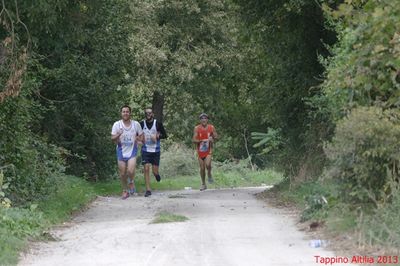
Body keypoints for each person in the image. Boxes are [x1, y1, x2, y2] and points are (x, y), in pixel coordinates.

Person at [111, 105, 143, 199]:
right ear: (121, 113)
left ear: (130, 113)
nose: (125, 113)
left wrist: (137, 139)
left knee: (130, 170)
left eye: (127, 111)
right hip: (121, 150)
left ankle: (131, 182)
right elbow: (112, 138)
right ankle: (125, 191)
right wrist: (118, 134)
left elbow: (141, 137)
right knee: (122, 173)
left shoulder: (136, 124)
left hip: (132, 150)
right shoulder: (117, 124)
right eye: (124, 112)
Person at [139, 107, 167, 197]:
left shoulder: (158, 124)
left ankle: (157, 175)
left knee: (154, 171)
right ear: (145, 114)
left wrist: (158, 136)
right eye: (147, 113)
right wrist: (139, 140)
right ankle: (148, 190)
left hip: (155, 150)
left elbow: (165, 135)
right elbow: (137, 135)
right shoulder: (141, 124)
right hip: (145, 150)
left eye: (150, 113)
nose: (148, 114)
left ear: (152, 114)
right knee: (146, 168)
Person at [192, 113, 218, 191]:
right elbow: (193, 140)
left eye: (205, 118)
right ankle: (203, 184)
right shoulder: (197, 128)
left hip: (208, 150)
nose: (204, 120)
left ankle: (209, 173)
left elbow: (216, 137)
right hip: (200, 151)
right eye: (202, 119)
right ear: (200, 120)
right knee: (202, 168)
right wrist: (201, 141)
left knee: (208, 164)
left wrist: (212, 138)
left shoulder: (211, 127)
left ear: (207, 120)